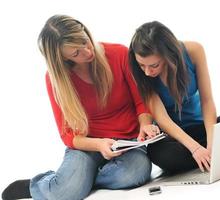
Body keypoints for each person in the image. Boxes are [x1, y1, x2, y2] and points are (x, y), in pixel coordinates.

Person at [2, 15, 160, 200]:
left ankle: (76, 181)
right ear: (62, 58)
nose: (87, 51)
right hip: (89, 145)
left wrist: (145, 125)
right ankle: (51, 185)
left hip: (128, 142)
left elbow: (142, 102)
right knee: (65, 193)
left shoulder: (118, 54)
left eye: (85, 42)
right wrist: (99, 144)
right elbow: (67, 134)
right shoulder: (56, 80)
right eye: (76, 53)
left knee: (134, 173)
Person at [128, 21, 220, 174]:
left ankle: (214, 152)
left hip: (203, 128)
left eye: (154, 65)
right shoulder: (140, 74)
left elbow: (207, 101)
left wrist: (212, 142)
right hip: (176, 138)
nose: (147, 72)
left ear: (168, 54)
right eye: (142, 65)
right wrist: (195, 149)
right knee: (157, 153)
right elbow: (162, 119)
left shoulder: (194, 51)